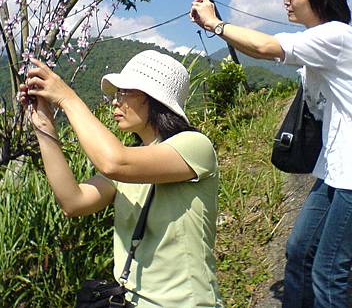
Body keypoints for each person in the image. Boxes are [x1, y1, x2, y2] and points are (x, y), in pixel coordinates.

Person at [190, 0, 352, 307]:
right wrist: (217, 28)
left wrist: (216, 24)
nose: (286, 1)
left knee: (328, 272)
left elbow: (267, 48)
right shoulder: (316, 41)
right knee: (298, 251)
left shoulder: (337, 36)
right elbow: (263, 48)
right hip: (335, 166)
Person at [18, 50, 223, 308]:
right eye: (115, 94)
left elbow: (114, 162)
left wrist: (67, 99)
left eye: (124, 93)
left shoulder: (194, 146)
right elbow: (73, 201)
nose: (115, 102)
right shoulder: (133, 161)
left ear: (154, 99)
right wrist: (43, 124)